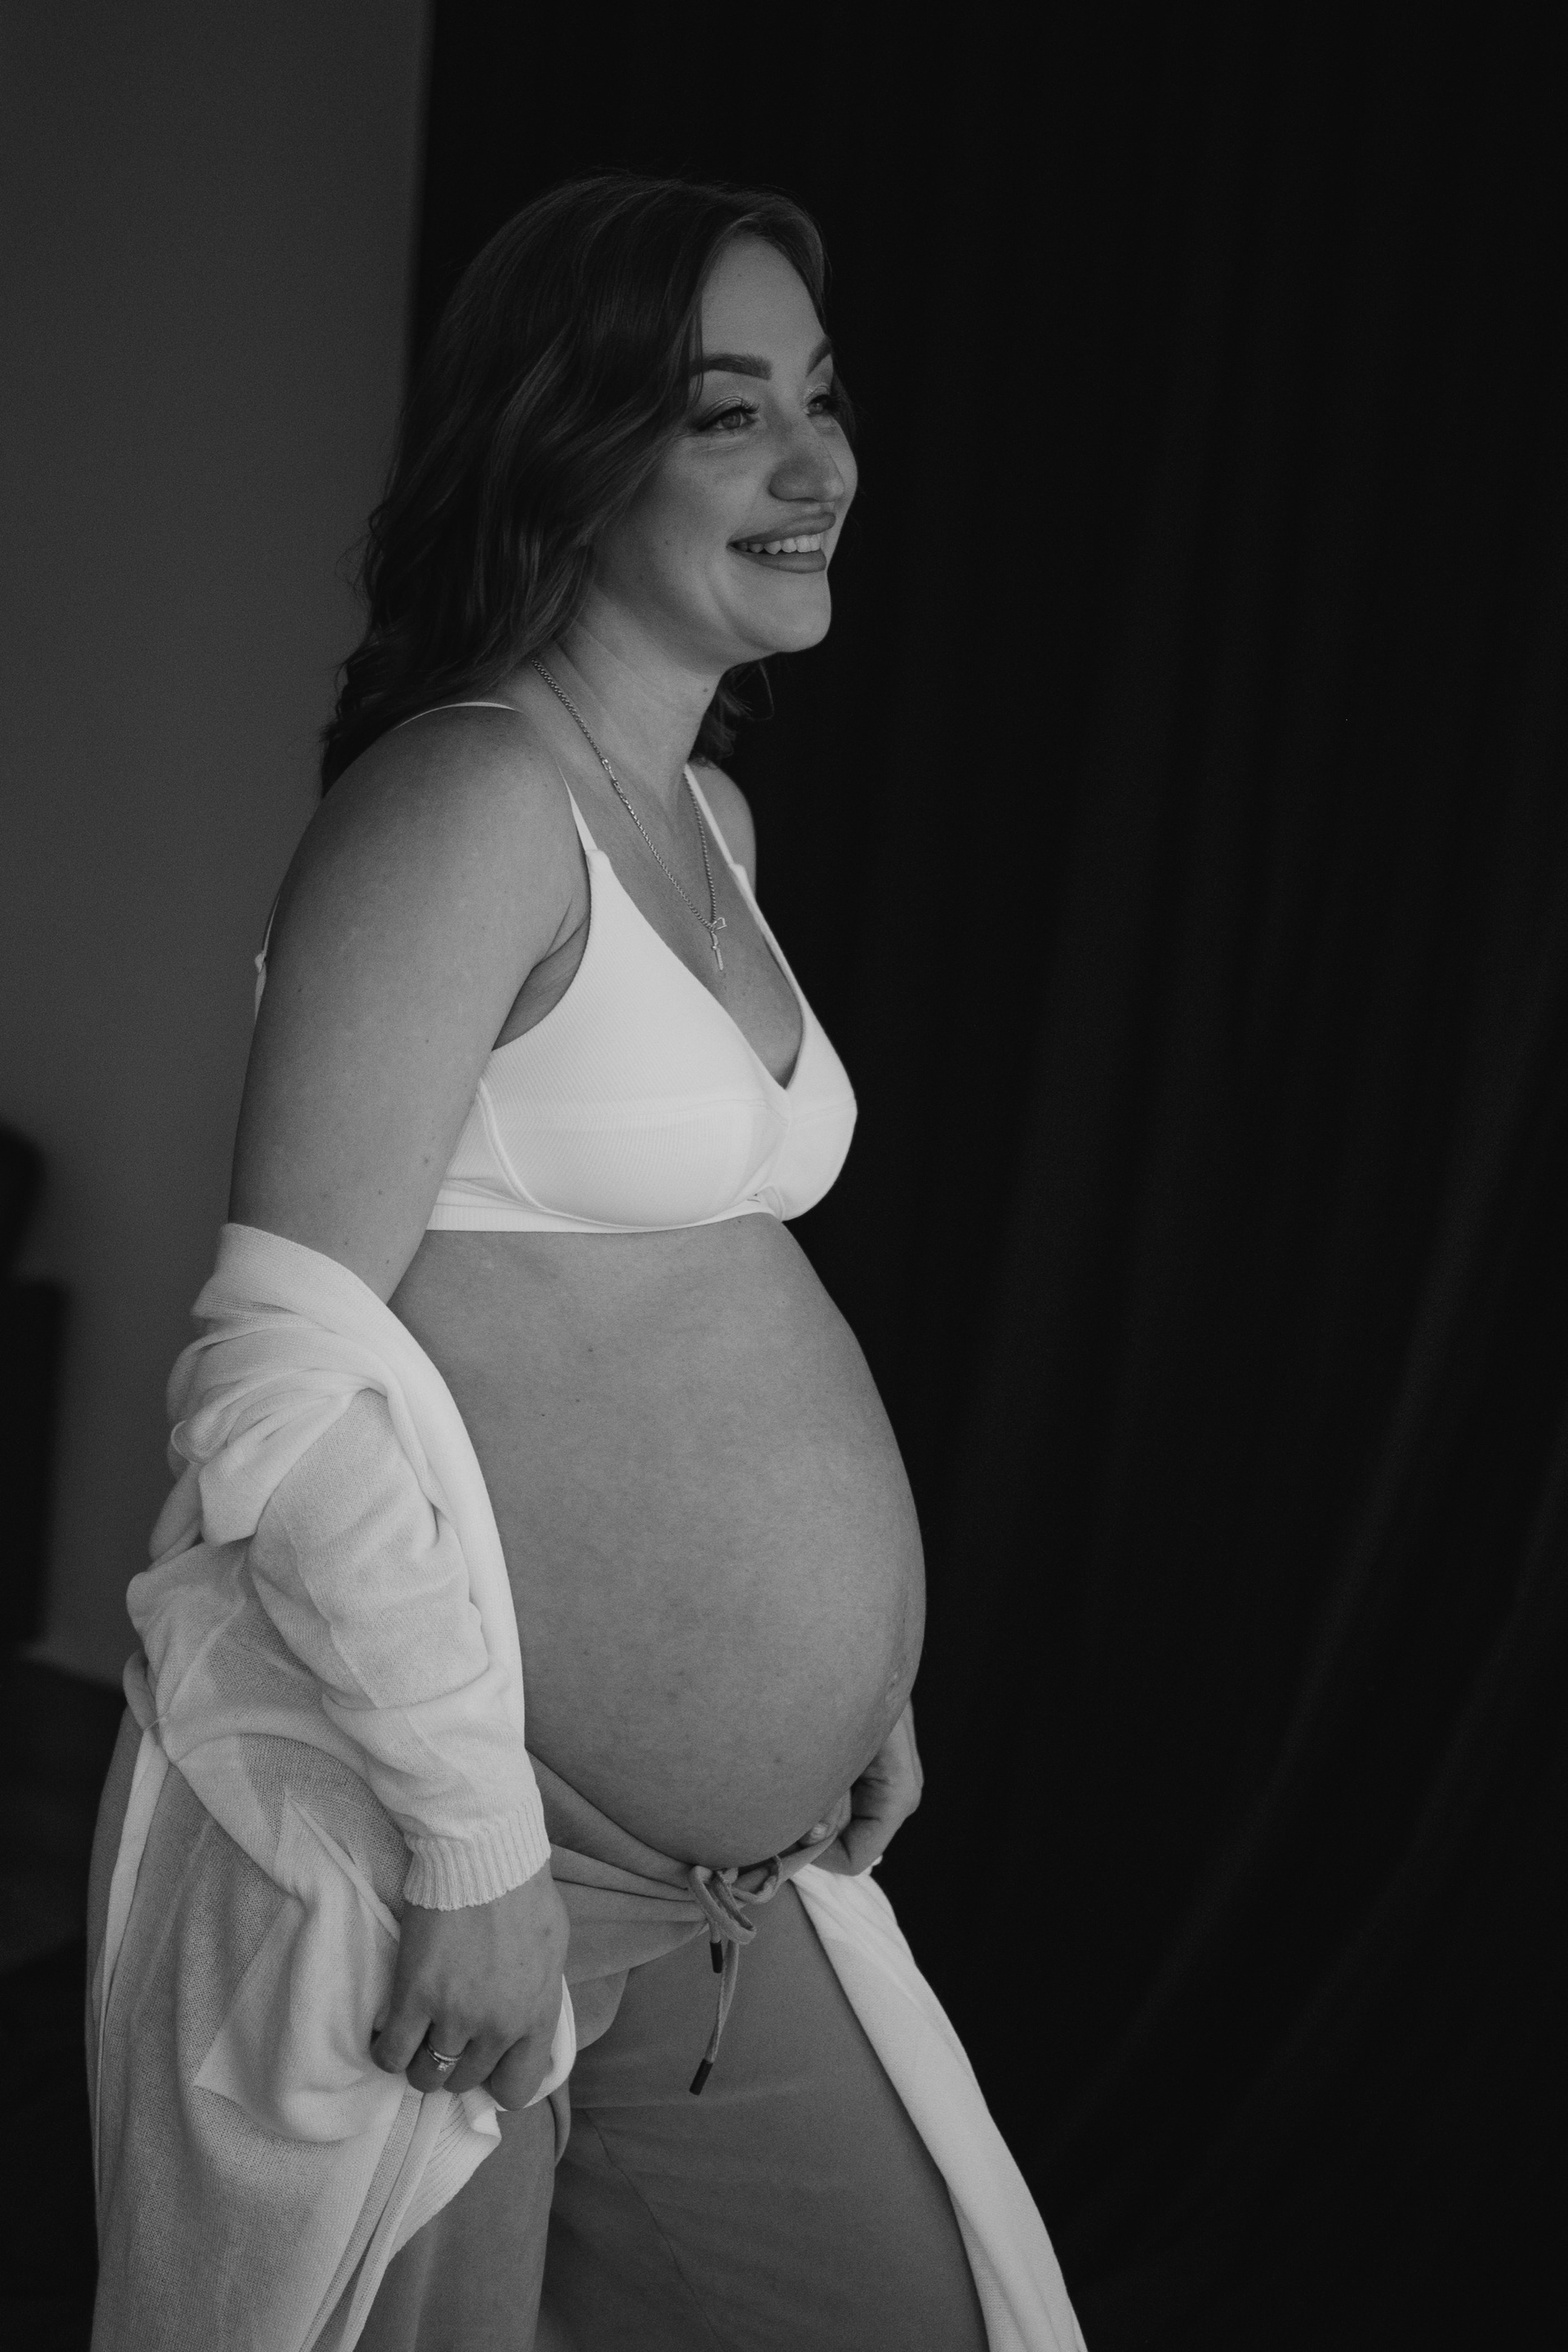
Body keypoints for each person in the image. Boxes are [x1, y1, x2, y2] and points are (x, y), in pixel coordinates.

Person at [87, 174, 1082, 2352]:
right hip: (452, 1840)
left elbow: (673, 1313)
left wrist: (843, 1681)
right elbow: (281, 1369)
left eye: (821, 399)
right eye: (730, 414)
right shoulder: (462, 806)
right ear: (570, 450)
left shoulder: (708, 820)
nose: (817, 466)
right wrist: (467, 1844)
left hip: (735, 1870)